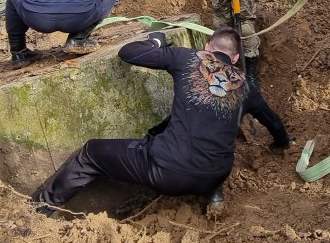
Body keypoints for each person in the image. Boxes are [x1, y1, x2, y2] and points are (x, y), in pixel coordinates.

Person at [34, 28, 292, 213]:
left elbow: (129, 53)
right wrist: (281, 143)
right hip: (216, 175)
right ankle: (214, 194)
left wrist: (156, 41)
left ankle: (45, 205)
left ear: (207, 47)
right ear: (234, 59)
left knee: (91, 152)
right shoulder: (246, 86)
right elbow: (274, 123)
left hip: (168, 173)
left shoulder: (189, 57)